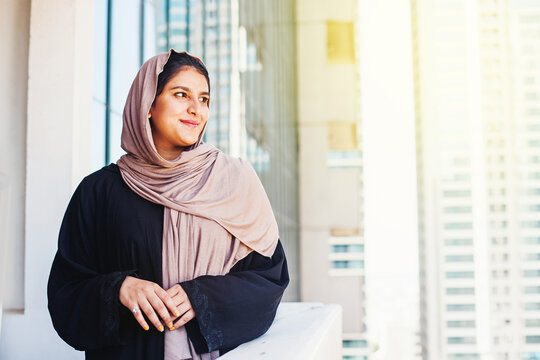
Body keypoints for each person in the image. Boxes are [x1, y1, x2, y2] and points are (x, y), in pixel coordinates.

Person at [47, 49, 289, 360]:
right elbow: (66, 293)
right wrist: (119, 288)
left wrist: (201, 298)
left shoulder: (233, 183)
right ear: (148, 104)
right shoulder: (100, 191)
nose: (195, 109)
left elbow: (269, 277)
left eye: (204, 99)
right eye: (181, 94)